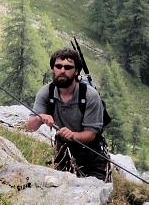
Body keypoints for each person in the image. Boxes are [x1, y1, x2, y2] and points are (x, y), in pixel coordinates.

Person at [25, 48, 111, 181]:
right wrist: (39, 118)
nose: (62, 70)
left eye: (68, 67)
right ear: (53, 69)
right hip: (63, 148)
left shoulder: (90, 95)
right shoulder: (46, 92)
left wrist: (73, 135)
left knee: (95, 190)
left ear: (76, 71)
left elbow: (91, 134)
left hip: (92, 152)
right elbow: (29, 127)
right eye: (58, 66)